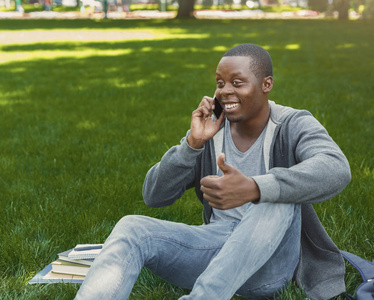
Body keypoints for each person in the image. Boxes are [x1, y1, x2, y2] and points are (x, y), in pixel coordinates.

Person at [75, 44, 351, 300]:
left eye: (237, 82)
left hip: (269, 264)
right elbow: (154, 195)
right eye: (220, 83)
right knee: (132, 227)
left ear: (266, 85)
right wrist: (192, 145)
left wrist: (255, 188)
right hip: (215, 253)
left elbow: (335, 167)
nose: (225, 91)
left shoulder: (292, 123)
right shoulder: (211, 130)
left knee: (274, 200)